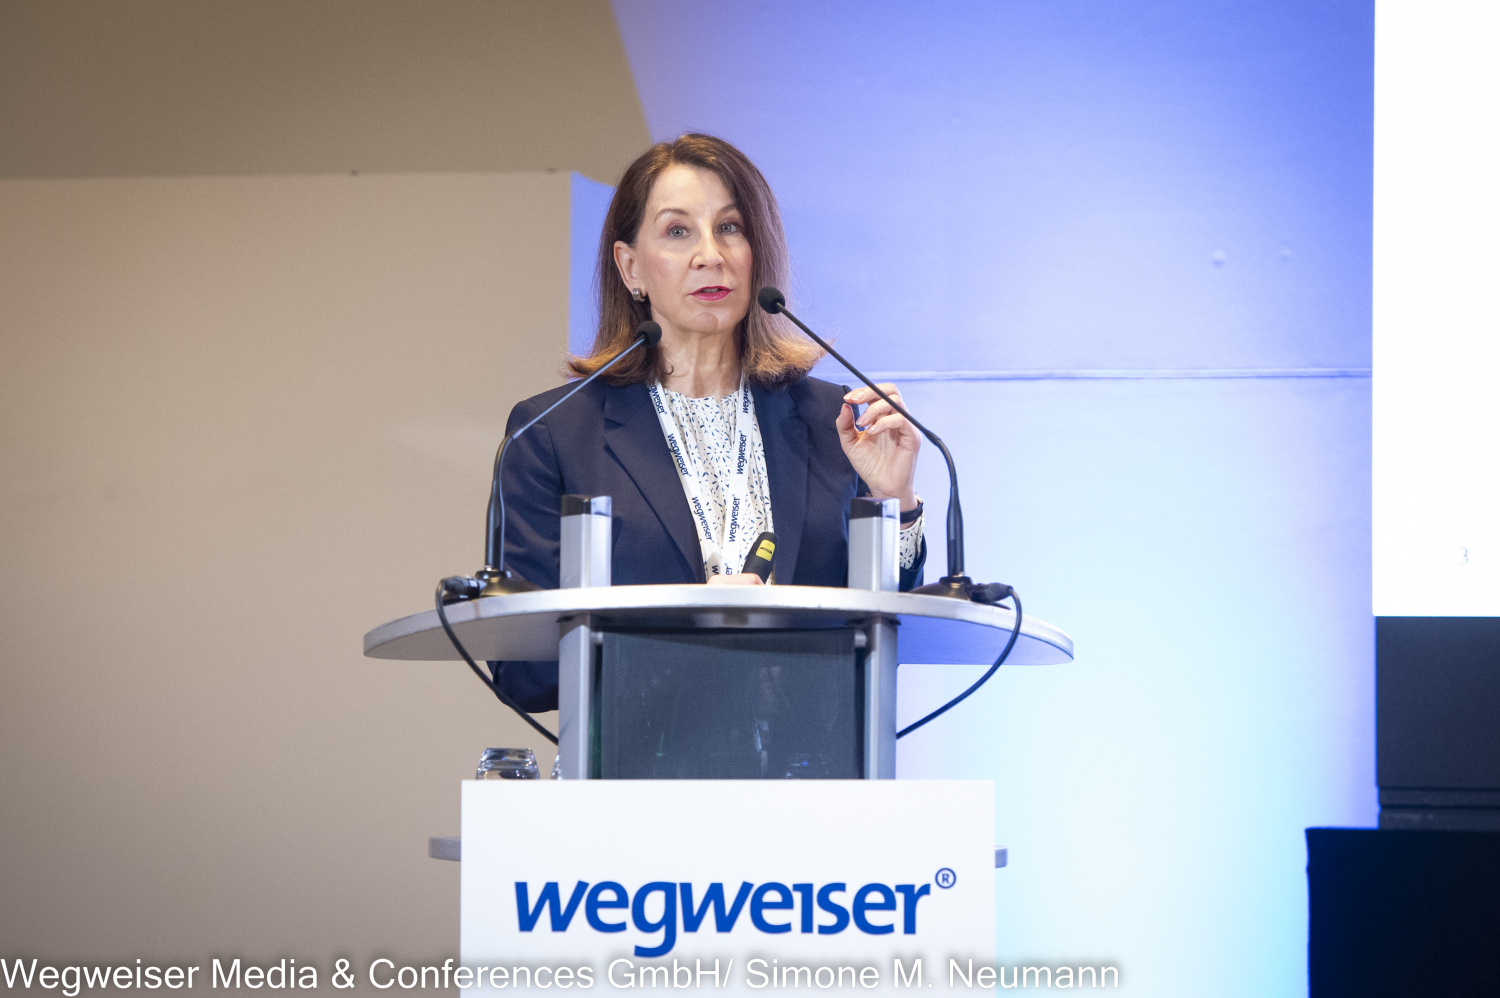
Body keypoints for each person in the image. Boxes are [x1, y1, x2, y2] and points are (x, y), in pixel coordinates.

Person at [493, 134, 926, 711]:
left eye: (729, 227)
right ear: (630, 267)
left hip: (814, 759)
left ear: (757, 253)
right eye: (678, 231)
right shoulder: (554, 434)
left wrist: (895, 502)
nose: (710, 255)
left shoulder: (837, 422)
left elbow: (886, 633)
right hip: (637, 760)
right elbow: (523, 673)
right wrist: (686, 625)